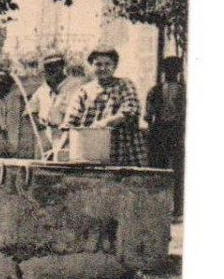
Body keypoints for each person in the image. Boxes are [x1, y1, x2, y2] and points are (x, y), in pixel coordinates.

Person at [64, 48, 147, 166]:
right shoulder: (84, 91)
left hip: (123, 150)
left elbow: (131, 109)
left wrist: (105, 123)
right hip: (92, 151)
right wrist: (59, 149)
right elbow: (71, 122)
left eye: (107, 64)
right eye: (98, 64)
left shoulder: (124, 84)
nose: (102, 68)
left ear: (115, 66)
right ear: (91, 66)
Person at [145, 56, 186, 216]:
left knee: (174, 170)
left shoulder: (183, 91)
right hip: (162, 132)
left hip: (174, 133)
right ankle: (162, 207)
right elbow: (148, 114)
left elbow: (148, 115)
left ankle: (175, 209)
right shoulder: (156, 90)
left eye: (173, 70)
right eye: (169, 69)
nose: (171, 73)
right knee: (160, 168)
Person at [27, 52, 81, 156]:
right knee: (40, 165)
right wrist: (39, 126)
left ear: (62, 66)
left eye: (56, 65)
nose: (52, 69)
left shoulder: (76, 86)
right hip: (45, 133)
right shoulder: (43, 89)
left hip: (66, 134)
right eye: (48, 66)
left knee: (61, 164)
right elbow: (29, 110)